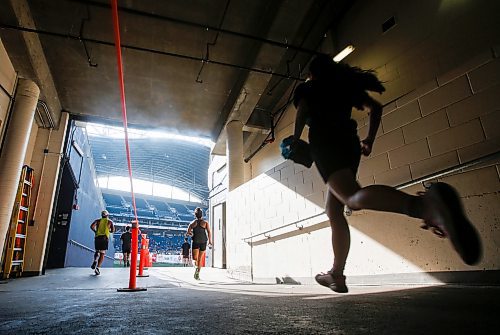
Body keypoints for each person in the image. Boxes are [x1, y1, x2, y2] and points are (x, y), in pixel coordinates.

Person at [287, 53, 481, 293]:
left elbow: (303, 109)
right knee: (334, 208)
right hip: (349, 140)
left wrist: (296, 139)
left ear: (312, 73)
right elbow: (375, 108)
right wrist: (369, 140)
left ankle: (424, 206)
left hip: (324, 141)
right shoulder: (344, 85)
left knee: (351, 198)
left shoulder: (309, 87)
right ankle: (336, 274)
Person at [186, 208, 212, 280]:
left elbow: (188, 233)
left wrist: (191, 233)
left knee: (195, 259)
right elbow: (209, 232)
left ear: (195, 215)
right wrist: (210, 241)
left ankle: (196, 268)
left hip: (196, 241)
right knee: (200, 258)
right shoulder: (205, 223)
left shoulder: (192, 223)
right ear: (202, 215)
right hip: (204, 241)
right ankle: (197, 274)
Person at [90, 210, 115, 275]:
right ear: (107, 215)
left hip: (97, 237)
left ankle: (95, 260)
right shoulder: (110, 222)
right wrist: (108, 230)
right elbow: (112, 230)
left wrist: (95, 231)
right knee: (102, 253)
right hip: (104, 238)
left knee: (97, 251)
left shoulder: (97, 221)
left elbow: (92, 226)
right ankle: (97, 268)